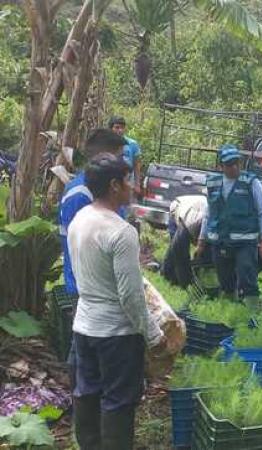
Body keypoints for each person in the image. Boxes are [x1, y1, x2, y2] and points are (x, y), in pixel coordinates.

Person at [69, 153, 165, 450]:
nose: (132, 187)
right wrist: (154, 335)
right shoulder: (121, 232)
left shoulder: (80, 218)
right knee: (118, 405)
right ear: (114, 185)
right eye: (128, 180)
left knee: (86, 395)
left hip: (84, 328)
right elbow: (131, 296)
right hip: (117, 336)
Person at [197, 145, 262, 309]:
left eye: (237, 163)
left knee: (247, 278)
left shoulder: (251, 183)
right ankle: (231, 314)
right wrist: (201, 240)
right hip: (220, 241)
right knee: (225, 281)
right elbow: (208, 214)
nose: (235, 167)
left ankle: (253, 316)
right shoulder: (214, 184)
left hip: (245, 243)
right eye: (230, 165)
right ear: (221, 167)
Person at [59, 129, 128, 299]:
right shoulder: (81, 193)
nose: (123, 162)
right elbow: (83, 246)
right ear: (103, 158)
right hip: (87, 291)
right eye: (119, 157)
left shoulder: (105, 190)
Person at [161, 195, 209, 287]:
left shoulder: (211, 226)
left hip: (196, 207)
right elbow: (179, 253)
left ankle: (195, 279)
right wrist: (187, 283)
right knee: (177, 251)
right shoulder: (190, 224)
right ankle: (172, 278)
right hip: (177, 207)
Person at [108, 116, 143, 199]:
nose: (120, 130)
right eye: (117, 127)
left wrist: (137, 185)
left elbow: (136, 164)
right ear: (110, 129)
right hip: (109, 182)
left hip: (127, 182)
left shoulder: (132, 144)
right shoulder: (105, 144)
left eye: (122, 128)